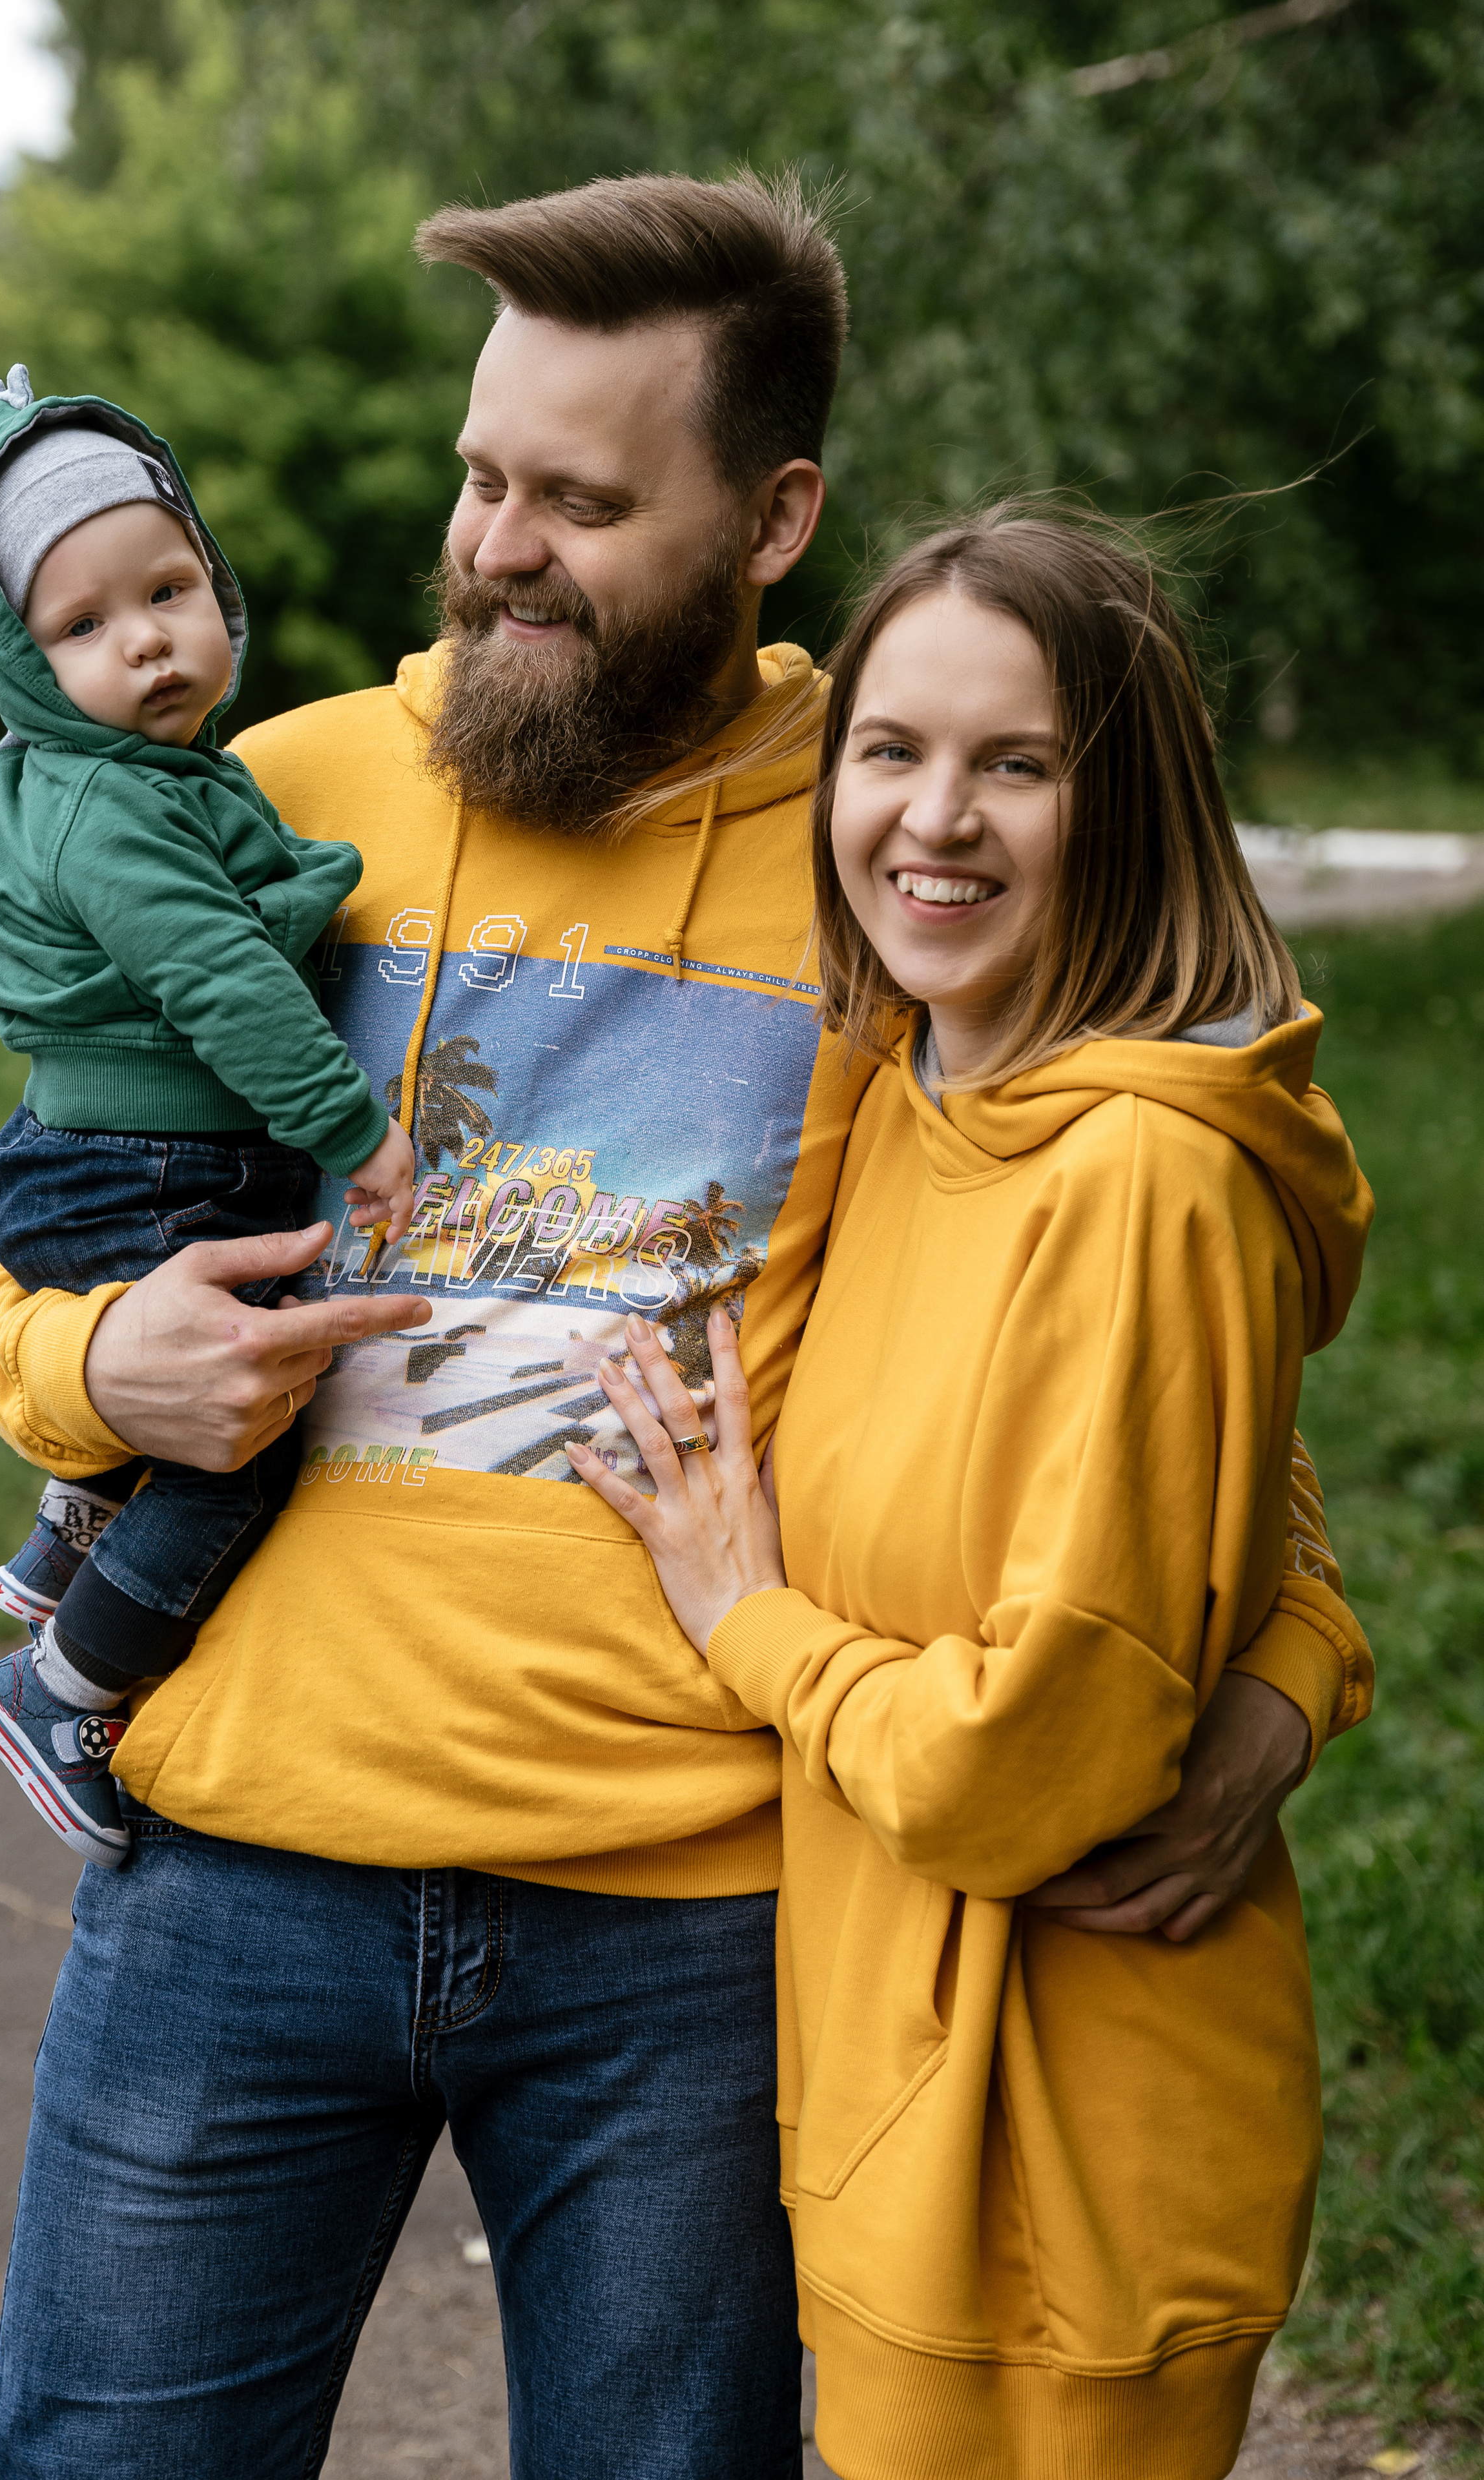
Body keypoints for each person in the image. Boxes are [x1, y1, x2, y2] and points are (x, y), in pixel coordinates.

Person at [0, 178, 1371, 2478]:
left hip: (696, 1925)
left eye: (586, 502)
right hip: (237, 1881)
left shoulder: (899, 852)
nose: (499, 543)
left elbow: (1155, 1306)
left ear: (775, 513)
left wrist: (1285, 1685)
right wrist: (83, 1370)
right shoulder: (268, 801)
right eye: (485, 473)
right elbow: (19, 1207)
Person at [566, 508, 1374, 2480]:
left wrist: (742, 1614)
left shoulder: (1145, 1178)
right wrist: (1302, 1649)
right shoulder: (909, 1100)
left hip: (1065, 2178)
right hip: (900, 2134)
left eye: (1017, 761)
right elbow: (1238, 1480)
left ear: (1130, 804)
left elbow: (1035, 1765)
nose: (937, 817)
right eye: (893, 749)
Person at [0, 371, 417, 1868]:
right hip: (142, 1167)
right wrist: (352, 1123)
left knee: (208, 1387)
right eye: (81, 628)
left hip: (103, 1156)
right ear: (16, 657)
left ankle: (67, 1541)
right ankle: (61, 1692)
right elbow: (220, 977)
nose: (147, 641)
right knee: (238, 1450)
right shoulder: (111, 807)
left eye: (170, 589)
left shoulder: (134, 774)